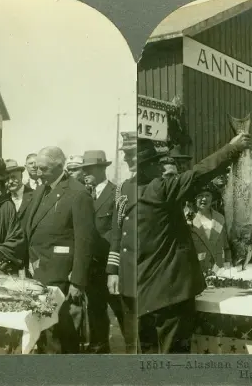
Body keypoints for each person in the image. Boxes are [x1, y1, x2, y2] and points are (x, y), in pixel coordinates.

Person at [136, 132, 251, 354]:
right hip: (171, 294)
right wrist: (232, 148)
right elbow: (199, 173)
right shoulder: (158, 190)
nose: (160, 170)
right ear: (145, 168)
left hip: (142, 294)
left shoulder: (126, 195)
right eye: (155, 164)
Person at [25, 147, 96, 354]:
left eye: (43, 169)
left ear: (59, 166)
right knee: (45, 333)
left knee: (60, 333)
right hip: (38, 272)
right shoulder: (41, 190)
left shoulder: (77, 193)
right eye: (36, 168)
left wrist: (78, 281)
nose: (38, 173)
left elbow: (85, 241)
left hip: (61, 276)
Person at [79, 150, 124, 354]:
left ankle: (133, 348)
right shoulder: (83, 194)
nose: (85, 173)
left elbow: (119, 229)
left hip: (110, 265)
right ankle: (99, 348)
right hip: (92, 265)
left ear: (101, 169)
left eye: (89, 169)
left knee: (121, 309)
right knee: (95, 309)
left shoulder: (116, 193)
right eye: (84, 169)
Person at [105, 139, 143, 354]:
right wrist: (113, 271)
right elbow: (117, 232)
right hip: (128, 272)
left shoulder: (157, 185)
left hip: (151, 273)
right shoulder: (124, 188)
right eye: (126, 154)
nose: (127, 159)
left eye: (132, 154)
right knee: (131, 334)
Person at [188, 184, 231, 273]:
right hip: (198, 270)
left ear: (212, 198)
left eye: (207, 195)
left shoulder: (220, 218)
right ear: (195, 199)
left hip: (220, 270)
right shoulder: (189, 220)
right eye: (200, 196)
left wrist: (228, 267)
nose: (204, 199)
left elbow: (226, 247)